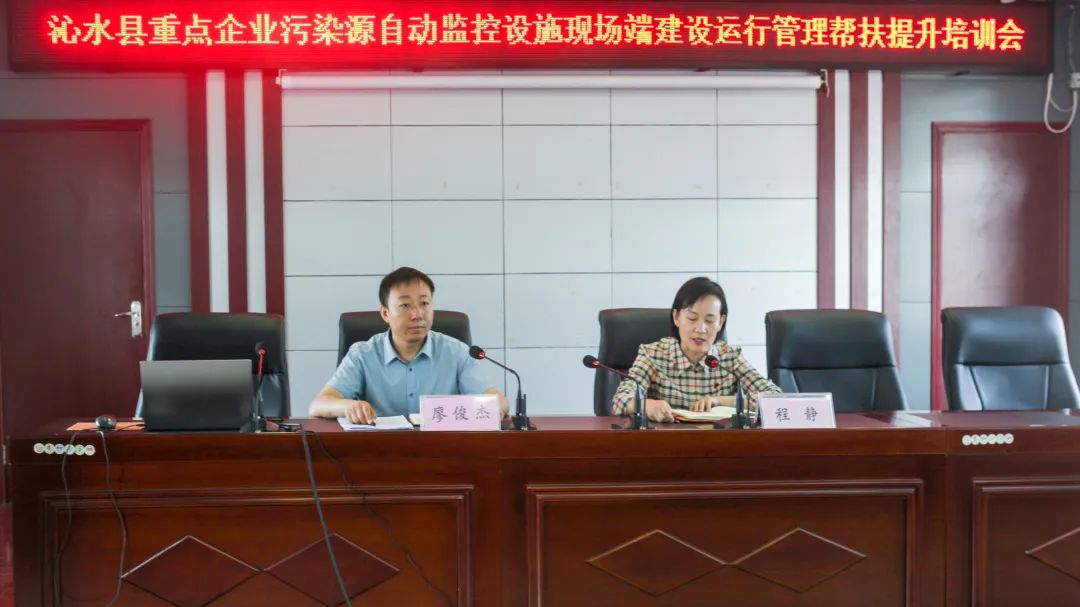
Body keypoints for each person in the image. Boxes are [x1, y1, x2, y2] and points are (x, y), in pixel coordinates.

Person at [310, 267, 508, 424]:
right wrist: (348, 406)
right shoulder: (362, 354)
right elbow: (318, 405)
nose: (417, 314)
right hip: (380, 452)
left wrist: (489, 409)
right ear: (385, 313)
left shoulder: (457, 352)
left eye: (424, 303)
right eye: (405, 305)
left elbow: (498, 402)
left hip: (444, 450)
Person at [611, 276, 781, 422]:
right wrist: (646, 405)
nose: (700, 329)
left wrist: (719, 401)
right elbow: (620, 400)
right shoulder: (653, 355)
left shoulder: (729, 358)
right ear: (676, 317)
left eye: (709, 320)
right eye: (692, 318)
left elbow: (774, 398)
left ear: (720, 322)